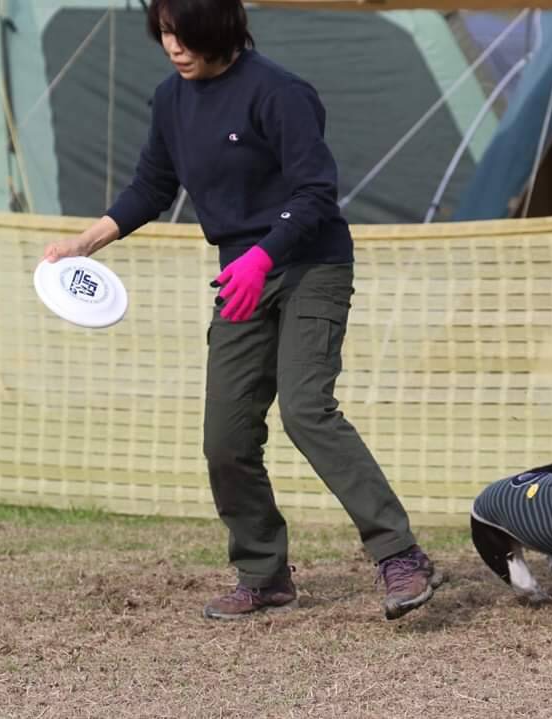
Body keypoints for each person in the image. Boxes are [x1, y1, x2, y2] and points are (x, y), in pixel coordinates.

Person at [42, 0, 443, 621]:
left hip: (311, 267)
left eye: (186, 35)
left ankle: (401, 555)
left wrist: (265, 254)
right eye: (166, 33)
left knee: (307, 410)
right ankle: (264, 574)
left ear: (221, 29)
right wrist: (84, 243)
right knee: (224, 438)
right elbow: (152, 186)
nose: (174, 47)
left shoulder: (280, 93)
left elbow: (315, 191)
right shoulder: (170, 100)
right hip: (239, 276)